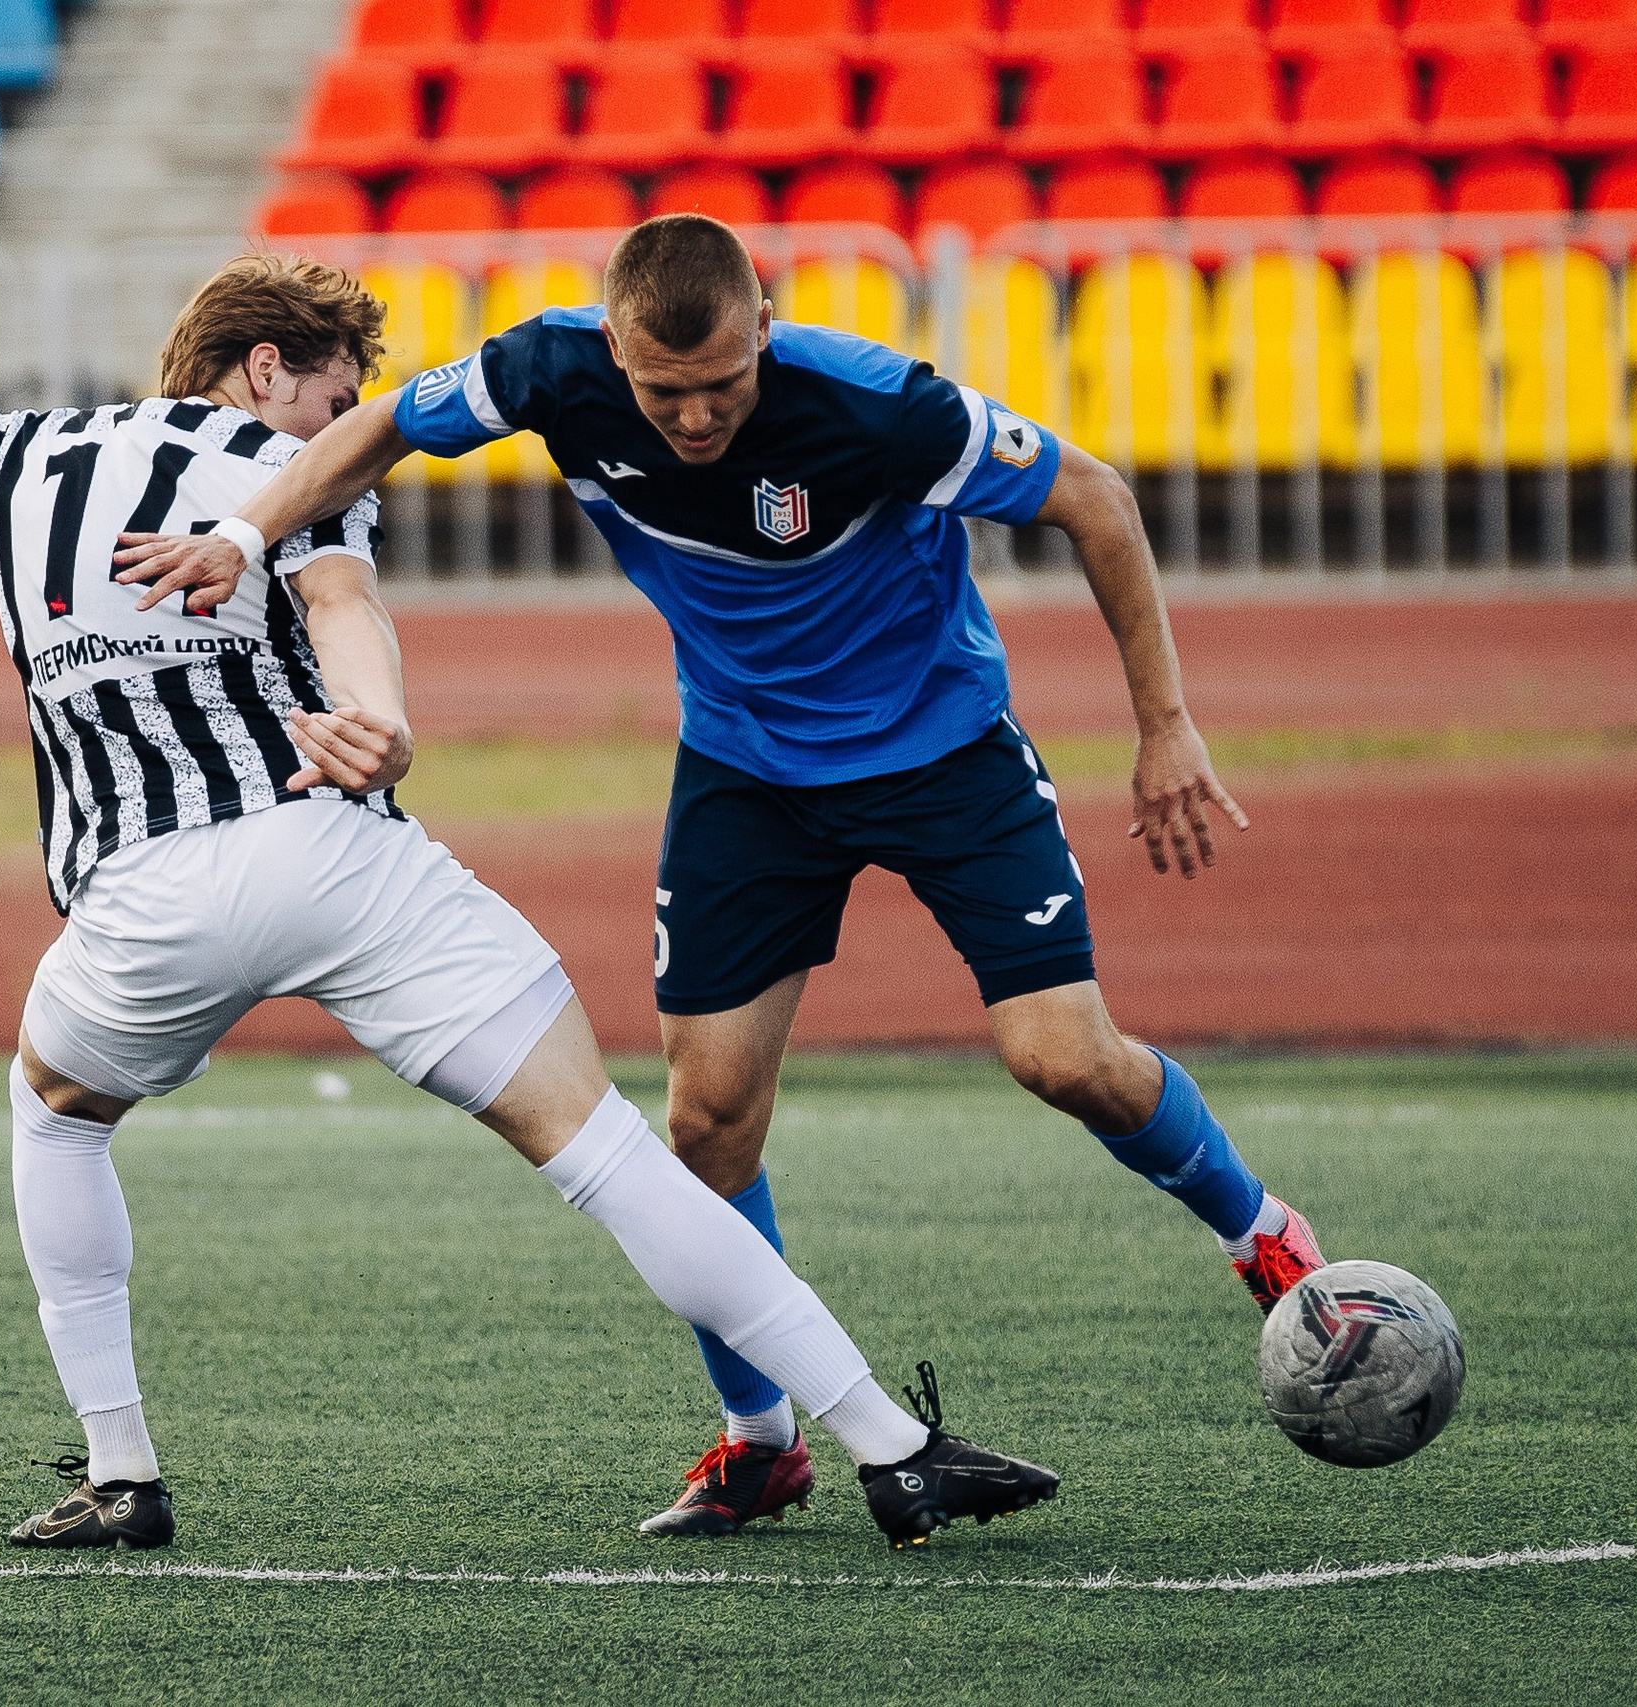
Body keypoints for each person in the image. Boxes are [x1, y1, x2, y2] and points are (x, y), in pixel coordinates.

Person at [0, 252, 1057, 1553]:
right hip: (338, 855)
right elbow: (339, 603)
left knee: (55, 1112)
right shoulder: (289, 461)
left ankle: (121, 1472)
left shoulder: (16, 454)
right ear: (266, 370)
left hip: (140, 903)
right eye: (338, 386)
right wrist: (380, 717)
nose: (350, 414)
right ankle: (890, 1448)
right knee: (609, 1150)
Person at [113, 218, 1328, 1540]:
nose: (695, 417)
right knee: (705, 1123)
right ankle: (762, 1441)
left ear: (765, 323)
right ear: (614, 347)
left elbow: (1095, 496)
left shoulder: (876, 404)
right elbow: (381, 425)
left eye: (723, 383)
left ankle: (1262, 1233)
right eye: (662, 390)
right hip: (747, 780)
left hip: (945, 755)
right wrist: (244, 534)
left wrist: (1164, 726)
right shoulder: (549, 370)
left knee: (1063, 1058)